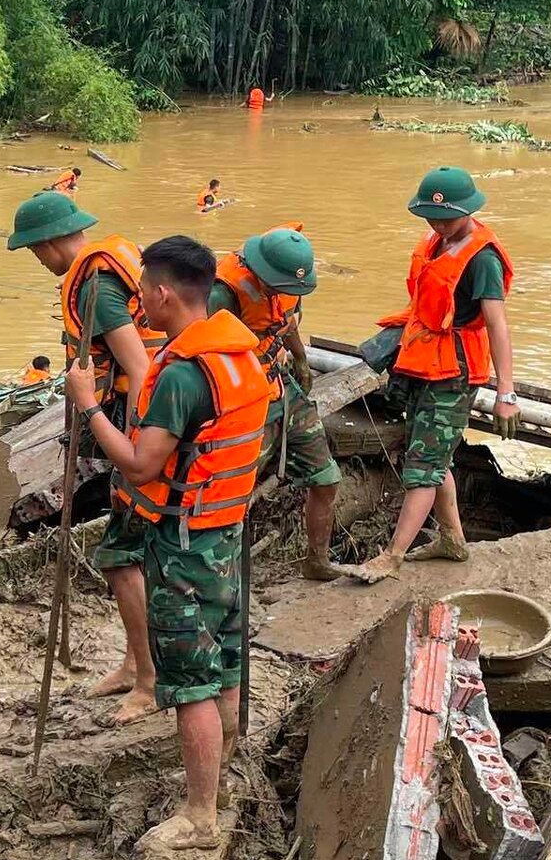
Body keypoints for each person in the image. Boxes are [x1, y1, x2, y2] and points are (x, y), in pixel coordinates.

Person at [66, 236, 272, 851]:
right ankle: (223, 784)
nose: (138, 310)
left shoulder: (183, 374)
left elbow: (138, 464)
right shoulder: (239, 355)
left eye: (142, 297)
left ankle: (200, 814)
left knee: (190, 683)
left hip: (184, 545)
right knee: (227, 667)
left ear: (161, 293)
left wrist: (89, 407)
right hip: (226, 533)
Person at [7, 191, 165, 724]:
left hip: (131, 426)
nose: (39, 262)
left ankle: (148, 681)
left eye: (35, 251)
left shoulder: (98, 288)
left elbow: (141, 369)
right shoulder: (102, 271)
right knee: (128, 555)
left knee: (123, 558)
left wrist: (135, 446)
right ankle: (131, 662)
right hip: (118, 420)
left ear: (51, 242)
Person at [345, 167, 518, 584]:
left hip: (454, 374)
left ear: (467, 210)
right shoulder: (436, 241)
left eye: (446, 218)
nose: (437, 224)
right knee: (432, 457)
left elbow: (497, 324)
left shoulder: (483, 259)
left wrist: (506, 392)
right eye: (431, 217)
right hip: (424, 360)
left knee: (423, 464)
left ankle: (393, 555)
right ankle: (453, 540)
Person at [210, 225, 343, 580]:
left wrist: (300, 358)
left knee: (326, 477)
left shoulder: (286, 289)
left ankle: (317, 560)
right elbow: (205, 354)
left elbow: (284, 321)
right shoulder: (223, 293)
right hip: (243, 401)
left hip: (281, 388)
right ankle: (223, 578)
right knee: (234, 492)